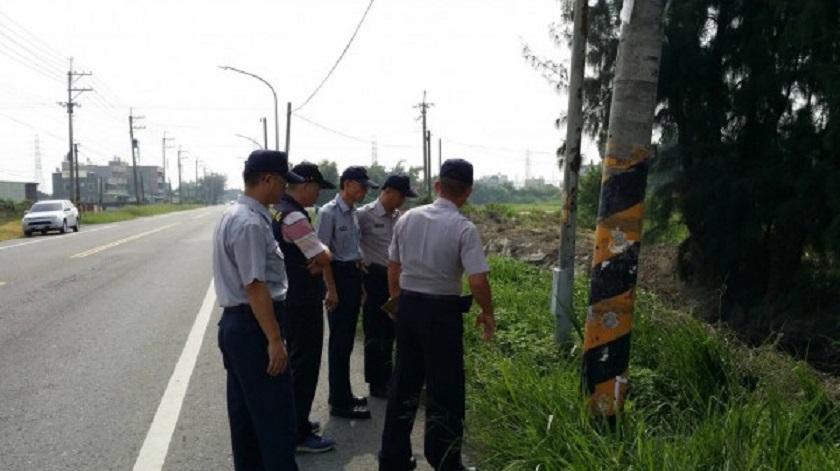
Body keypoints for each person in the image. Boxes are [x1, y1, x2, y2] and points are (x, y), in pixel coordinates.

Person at [378, 159, 495, 471]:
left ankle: (393, 457)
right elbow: (478, 280)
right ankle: (444, 460)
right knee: (445, 388)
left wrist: (395, 300)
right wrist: (487, 311)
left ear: (437, 186)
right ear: (468, 192)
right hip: (442, 312)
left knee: (404, 382)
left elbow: (393, 265)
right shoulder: (463, 228)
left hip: (409, 307)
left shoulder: (406, 219)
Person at [213, 149, 304, 471]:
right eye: (283, 183)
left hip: (240, 326)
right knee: (275, 421)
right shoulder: (250, 222)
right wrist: (274, 339)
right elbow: (255, 285)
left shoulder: (235, 215)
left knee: (247, 420)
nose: (285, 191)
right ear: (267, 179)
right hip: (255, 327)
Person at [270, 162, 337, 453]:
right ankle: (297, 433)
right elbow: (322, 255)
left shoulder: (278, 209)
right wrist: (324, 254)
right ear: (306, 186)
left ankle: (293, 422)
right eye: (316, 190)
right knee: (305, 365)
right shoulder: (294, 216)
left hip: (290, 296)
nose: (317, 196)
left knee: (297, 362)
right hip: (302, 299)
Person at [316, 165, 379, 419]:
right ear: (348, 183)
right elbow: (322, 256)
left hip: (352, 276)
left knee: (348, 340)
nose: (364, 191)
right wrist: (331, 289)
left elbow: (354, 251)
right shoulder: (329, 213)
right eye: (361, 186)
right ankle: (339, 401)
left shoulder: (352, 213)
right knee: (340, 342)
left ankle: (344, 393)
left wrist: (360, 285)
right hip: (338, 277)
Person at [357, 174, 418, 399]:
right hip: (373, 278)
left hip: (396, 278)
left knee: (392, 330)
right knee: (374, 331)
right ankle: (376, 382)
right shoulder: (364, 215)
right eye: (400, 195)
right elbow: (351, 242)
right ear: (388, 191)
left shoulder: (400, 218)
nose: (402, 201)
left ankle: (389, 377)